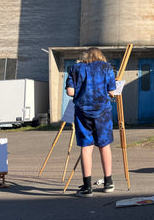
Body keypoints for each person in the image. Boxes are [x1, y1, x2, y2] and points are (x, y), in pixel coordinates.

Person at [65, 47, 117, 197]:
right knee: (104, 145)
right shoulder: (106, 68)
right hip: (103, 111)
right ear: (100, 56)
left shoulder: (75, 68)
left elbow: (71, 92)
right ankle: (108, 182)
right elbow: (112, 91)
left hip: (82, 111)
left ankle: (87, 187)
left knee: (86, 147)